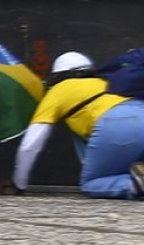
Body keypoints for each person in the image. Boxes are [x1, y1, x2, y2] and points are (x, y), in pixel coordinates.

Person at [12, 52, 144, 200]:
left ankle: (135, 184)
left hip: (115, 124)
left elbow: (30, 145)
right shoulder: (108, 80)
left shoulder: (59, 90)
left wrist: (19, 183)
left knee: (93, 183)